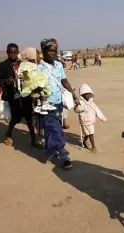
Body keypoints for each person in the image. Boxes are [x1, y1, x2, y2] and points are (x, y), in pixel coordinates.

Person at [37, 38, 79, 169]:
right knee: (56, 129)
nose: (53, 53)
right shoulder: (39, 68)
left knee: (53, 130)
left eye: (55, 51)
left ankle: (53, 148)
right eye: (50, 51)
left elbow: (64, 81)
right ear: (43, 51)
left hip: (59, 103)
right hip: (46, 104)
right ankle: (64, 156)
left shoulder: (59, 65)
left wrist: (73, 94)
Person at [0, 43, 37, 147]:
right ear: (7, 52)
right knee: (15, 117)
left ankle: (34, 140)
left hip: (26, 94)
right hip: (13, 95)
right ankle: (8, 133)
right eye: (10, 52)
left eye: (15, 52)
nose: (13, 55)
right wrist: (5, 81)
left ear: (18, 52)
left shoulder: (24, 64)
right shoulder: (3, 65)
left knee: (29, 116)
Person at [19, 47, 56, 115]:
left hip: (36, 81)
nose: (39, 56)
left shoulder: (35, 64)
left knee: (41, 91)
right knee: (39, 90)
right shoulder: (26, 64)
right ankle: (39, 106)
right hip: (32, 82)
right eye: (37, 54)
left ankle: (41, 105)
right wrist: (27, 77)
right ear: (32, 55)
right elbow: (25, 73)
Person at [74, 83, 107, 152]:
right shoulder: (81, 103)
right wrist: (77, 106)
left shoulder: (91, 102)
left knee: (88, 133)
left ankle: (84, 141)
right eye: (86, 94)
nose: (88, 95)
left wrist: (102, 117)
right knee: (91, 133)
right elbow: (76, 110)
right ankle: (93, 146)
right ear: (82, 95)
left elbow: (96, 109)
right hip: (85, 121)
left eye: (89, 93)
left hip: (91, 120)